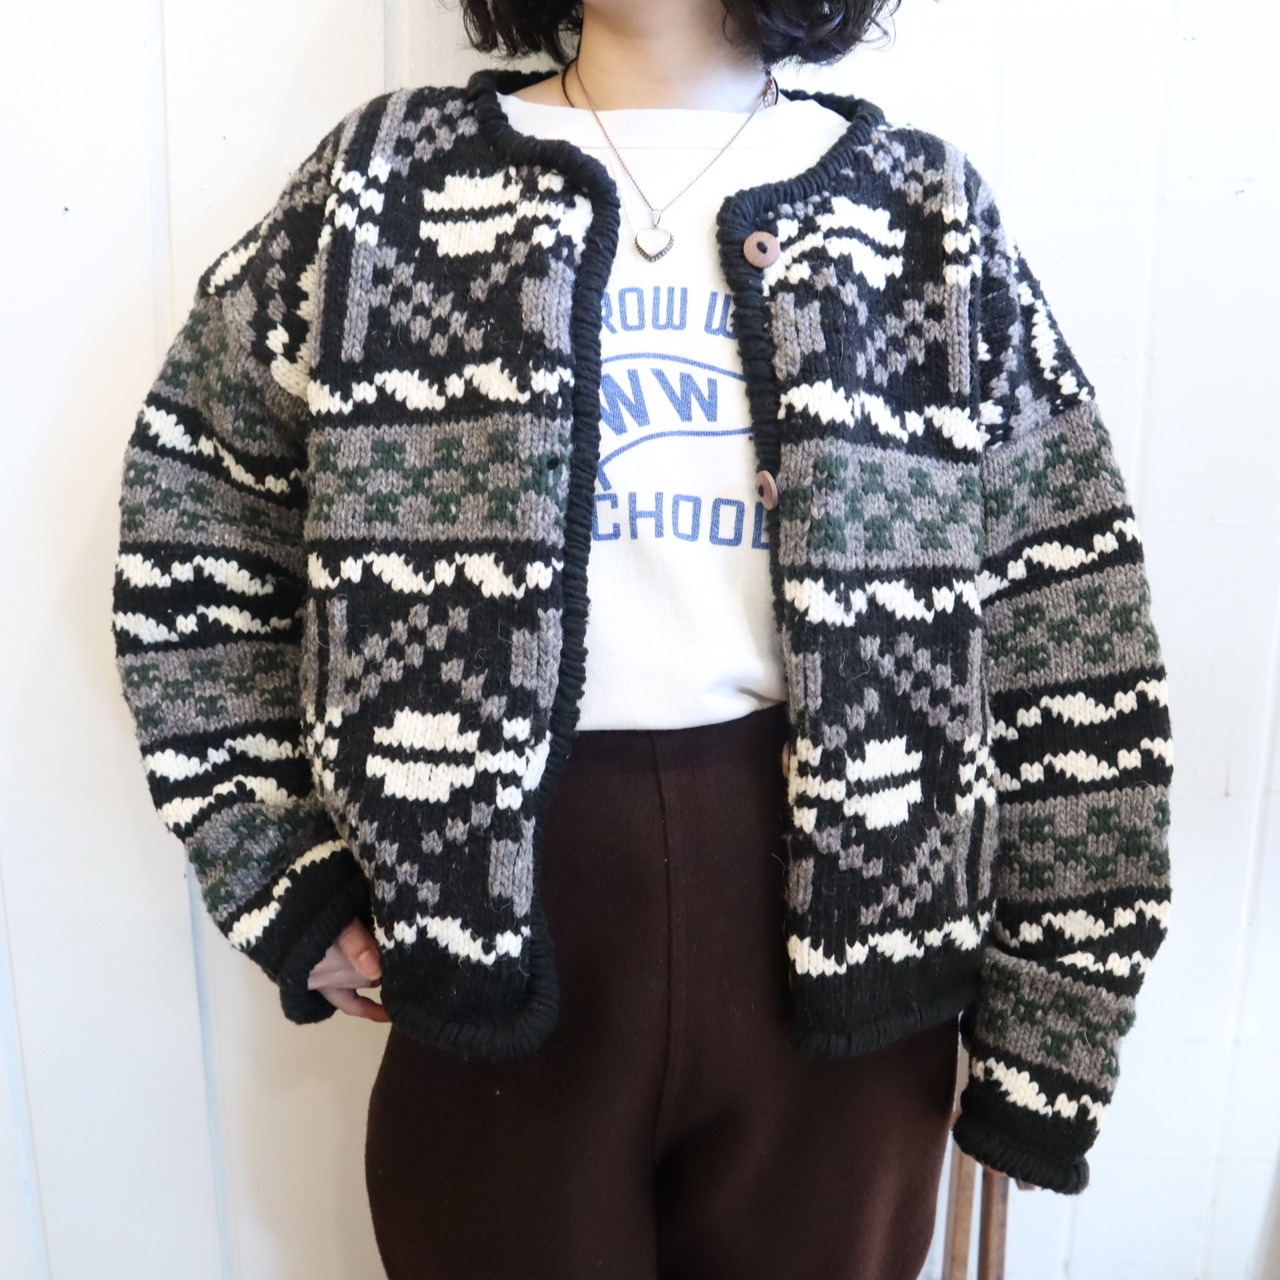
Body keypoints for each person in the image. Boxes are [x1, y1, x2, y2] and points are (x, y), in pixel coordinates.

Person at [109, 0, 1175, 1275]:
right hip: (484, 924)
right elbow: (197, 516)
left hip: (856, 945)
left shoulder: (921, 214)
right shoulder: (380, 186)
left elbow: (1069, 617)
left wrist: (1054, 1020)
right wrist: (274, 860)